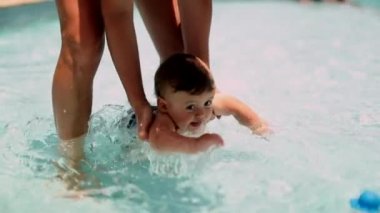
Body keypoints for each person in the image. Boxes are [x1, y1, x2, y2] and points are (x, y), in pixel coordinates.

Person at [142, 53, 268, 154]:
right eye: (190, 107)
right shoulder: (163, 121)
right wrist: (194, 145)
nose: (201, 113)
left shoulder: (204, 105)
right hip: (130, 131)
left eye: (208, 102)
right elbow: (158, 141)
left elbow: (233, 105)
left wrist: (258, 127)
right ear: (164, 106)